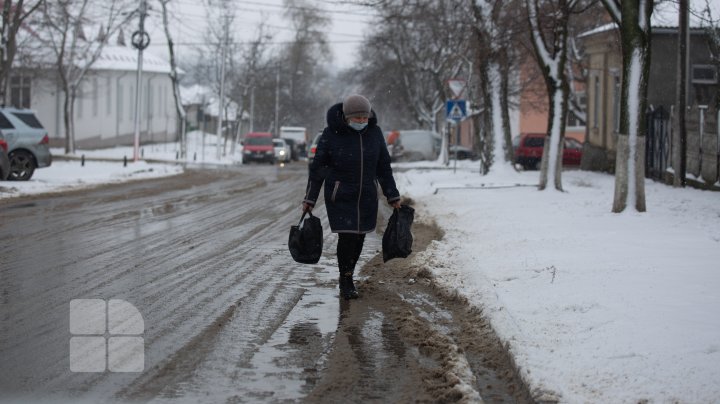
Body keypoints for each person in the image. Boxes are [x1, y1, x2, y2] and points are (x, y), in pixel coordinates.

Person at [302, 94, 401, 300]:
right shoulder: (332, 134)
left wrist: (392, 195)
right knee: (347, 237)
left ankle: (349, 272)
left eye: (365, 118)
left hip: (366, 195)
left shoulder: (374, 134)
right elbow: (318, 169)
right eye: (357, 118)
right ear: (347, 117)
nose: (362, 122)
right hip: (341, 195)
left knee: (360, 237)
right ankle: (345, 278)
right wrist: (310, 199)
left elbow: (384, 167)